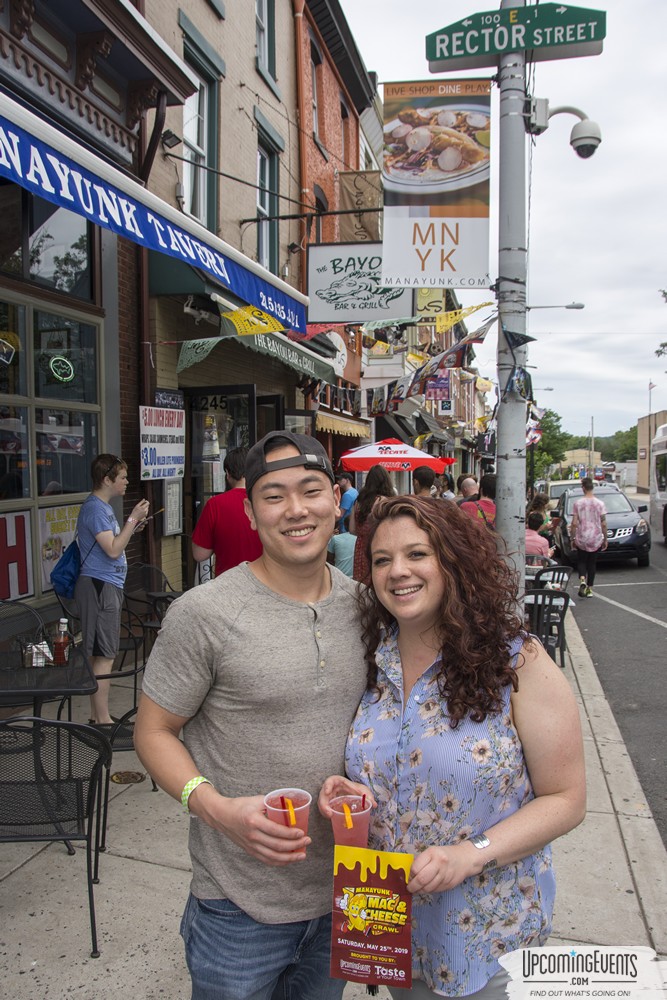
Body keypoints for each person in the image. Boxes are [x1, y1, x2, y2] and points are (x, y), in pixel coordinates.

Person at [320, 495, 586, 1000]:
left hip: (490, 936)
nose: (398, 571)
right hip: (393, 929)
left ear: (453, 561)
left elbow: (567, 799)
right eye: (382, 560)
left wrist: (472, 854)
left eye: (418, 554)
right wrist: (352, 789)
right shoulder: (371, 659)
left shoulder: (517, 661)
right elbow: (400, 764)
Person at [135, 431, 368, 1000]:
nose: (296, 510)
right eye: (275, 495)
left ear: (336, 500)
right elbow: (152, 730)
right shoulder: (205, 613)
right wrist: (215, 810)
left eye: (311, 490)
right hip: (237, 907)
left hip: (348, 893)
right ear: (249, 510)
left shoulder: (368, 605)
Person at [75, 454, 149, 725]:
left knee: (102, 652)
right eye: (122, 477)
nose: (127, 482)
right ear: (107, 479)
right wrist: (132, 518)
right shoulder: (95, 509)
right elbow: (113, 548)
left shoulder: (101, 508)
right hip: (99, 584)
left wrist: (133, 527)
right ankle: (103, 720)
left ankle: (99, 715)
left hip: (106, 584)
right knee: (104, 654)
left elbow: (115, 542)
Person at [191, 446, 262, 576]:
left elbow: (199, 554)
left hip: (228, 584)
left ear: (228, 474)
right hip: (268, 584)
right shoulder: (269, 500)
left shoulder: (215, 504)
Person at [349, 464, 394, 585]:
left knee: (362, 584)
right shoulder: (383, 501)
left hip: (360, 547)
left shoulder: (359, 501)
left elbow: (352, 529)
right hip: (379, 545)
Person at [569, 477, 608, 598]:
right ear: (592, 488)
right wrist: (605, 538)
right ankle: (590, 589)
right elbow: (604, 523)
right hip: (595, 536)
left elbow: (574, 523)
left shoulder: (578, 503)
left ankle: (582, 580)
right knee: (592, 563)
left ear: (583, 488)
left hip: (582, 535)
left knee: (581, 561)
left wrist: (572, 538)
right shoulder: (600, 504)